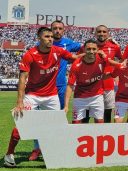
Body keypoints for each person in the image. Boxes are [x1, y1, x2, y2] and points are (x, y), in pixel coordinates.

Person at [3, 27, 79, 167]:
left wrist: (94, 53)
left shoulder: (58, 51)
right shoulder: (30, 54)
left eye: (51, 36)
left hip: (51, 96)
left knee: (56, 125)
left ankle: (53, 153)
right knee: (22, 123)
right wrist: (19, 101)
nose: (50, 39)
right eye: (46, 36)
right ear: (39, 38)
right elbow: (22, 78)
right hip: (32, 95)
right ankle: (9, 155)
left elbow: (75, 57)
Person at [27, 20, 83, 162]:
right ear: (50, 31)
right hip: (41, 89)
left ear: (63, 31)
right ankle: (37, 148)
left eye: (60, 29)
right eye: (54, 29)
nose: (57, 31)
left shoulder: (68, 43)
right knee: (38, 120)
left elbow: (85, 48)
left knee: (59, 120)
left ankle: (56, 147)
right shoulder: (40, 47)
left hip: (61, 87)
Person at [78, 25, 122, 123]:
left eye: (104, 32)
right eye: (99, 32)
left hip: (108, 85)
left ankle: (105, 136)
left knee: (107, 114)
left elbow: (121, 61)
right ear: (95, 33)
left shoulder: (114, 47)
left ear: (108, 33)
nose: (101, 33)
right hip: (90, 86)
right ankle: (87, 136)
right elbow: (77, 59)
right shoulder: (89, 47)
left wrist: (114, 73)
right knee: (87, 115)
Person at [64, 39, 108, 123]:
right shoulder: (76, 65)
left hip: (97, 96)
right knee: (76, 123)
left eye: (94, 49)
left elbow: (113, 70)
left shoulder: (102, 60)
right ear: (84, 49)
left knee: (99, 122)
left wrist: (106, 57)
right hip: (80, 97)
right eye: (88, 49)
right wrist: (66, 105)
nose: (91, 51)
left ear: (98, 49)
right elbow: (70, 85)